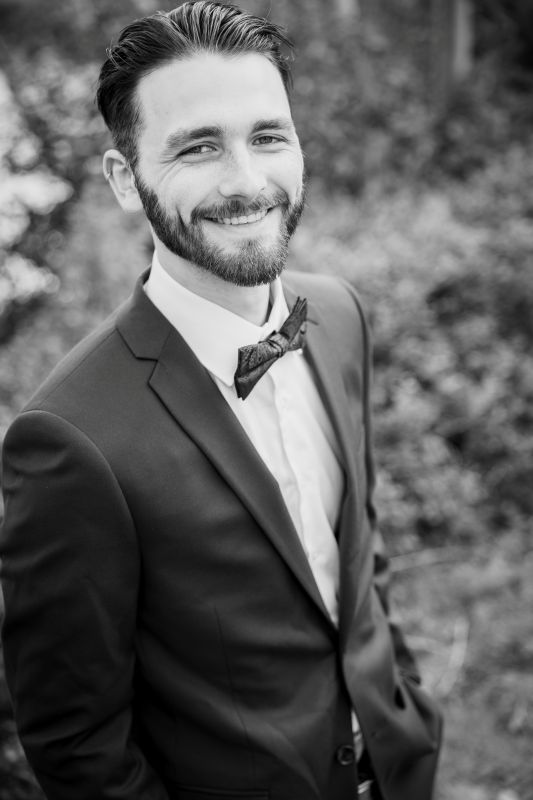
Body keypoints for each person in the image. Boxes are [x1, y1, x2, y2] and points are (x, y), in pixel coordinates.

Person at [0, 3, 443, 799]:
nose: (246, 182)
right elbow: (77, 746)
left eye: (268, 136)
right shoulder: (69, 439)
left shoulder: (338, 314)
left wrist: (409, 712)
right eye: (198, 147)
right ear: (123, 181)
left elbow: (356, 560)